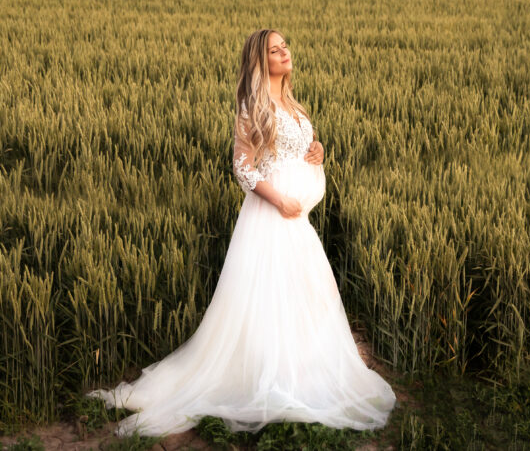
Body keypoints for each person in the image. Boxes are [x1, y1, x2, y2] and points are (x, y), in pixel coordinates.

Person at [86, 28, 397, 437]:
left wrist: (317, 148)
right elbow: (242, 167)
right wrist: (278, 200)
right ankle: (262, 375)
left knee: (301, 294)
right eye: (275, 49)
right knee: (268, 295)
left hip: (296, 220)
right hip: (271, 216)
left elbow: (297, 148)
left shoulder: (292, 103)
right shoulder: (254, 106)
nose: (284, 52)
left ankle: (296, 371)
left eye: (285, 46)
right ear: (260, 60)